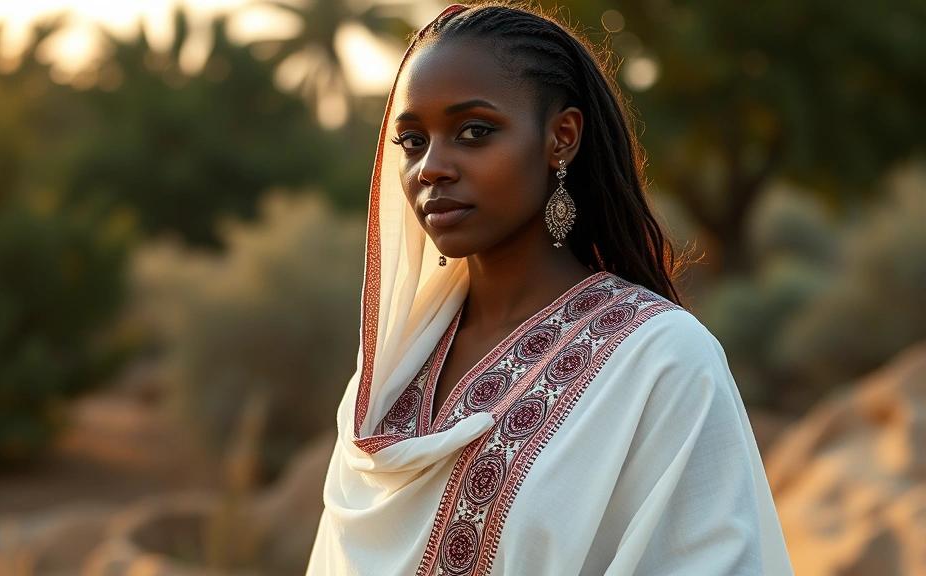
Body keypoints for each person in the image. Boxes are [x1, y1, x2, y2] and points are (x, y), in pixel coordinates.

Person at [306, 3, 792, 574]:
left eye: (473, 132)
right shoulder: (392, 368)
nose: (431, 167)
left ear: (561, 137)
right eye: (413, 141)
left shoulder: (662, 362)